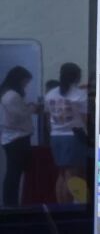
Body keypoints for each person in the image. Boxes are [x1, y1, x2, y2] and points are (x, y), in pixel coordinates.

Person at [44, 62, 90, 203]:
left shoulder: (50, 94)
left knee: (62, 173)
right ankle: (73, 205)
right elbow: (85, 119)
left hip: (55, 136)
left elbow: (47, 118)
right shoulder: (80, 94)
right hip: (73, 136)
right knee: (73, 174)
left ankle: (62, 205)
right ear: (77, 77)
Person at [0, 66, 36, 207]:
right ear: (19, 80)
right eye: (25, 82)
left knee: (13, 172)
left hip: (11, 137)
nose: (25, 85)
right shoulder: (12, 96)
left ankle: (11, 202)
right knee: (14, 172)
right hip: (17, 138)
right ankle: (11, 204)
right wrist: (31, 108)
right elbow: (18, 117)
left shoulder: (5, 93)